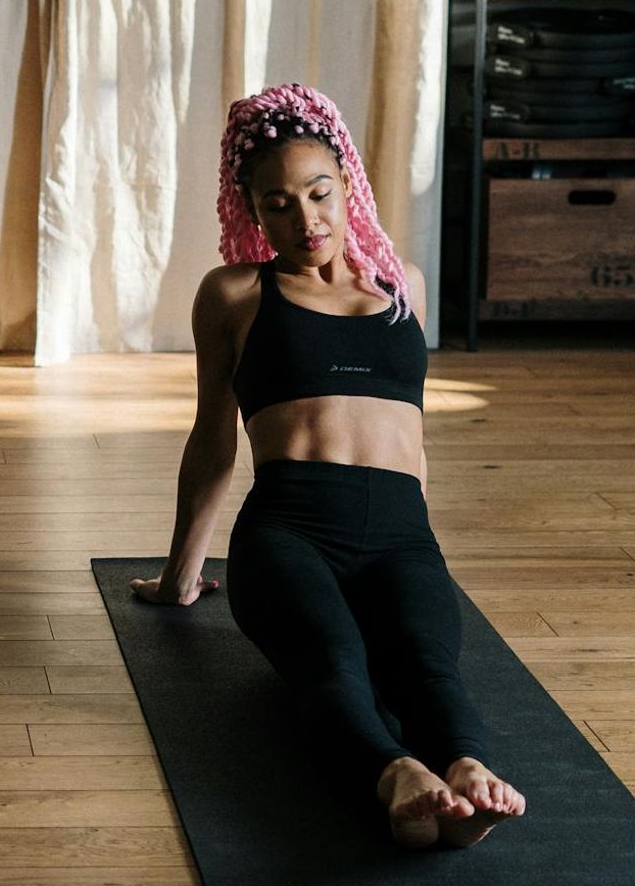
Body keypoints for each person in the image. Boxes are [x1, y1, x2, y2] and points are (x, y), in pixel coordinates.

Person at [130, 83, 526, 849]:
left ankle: (468, 769)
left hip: (401, 535)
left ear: (348, 186)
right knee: (331, 664)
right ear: (251, 211)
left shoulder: (400, 286)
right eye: (277, 204)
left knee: (427, 666)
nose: (304, 221)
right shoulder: (236, 294)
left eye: (318, 194)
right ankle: (398, 774)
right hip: (290, 532)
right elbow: (213, 438)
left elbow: (410, 436)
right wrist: (181, 576)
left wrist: (421, 543)